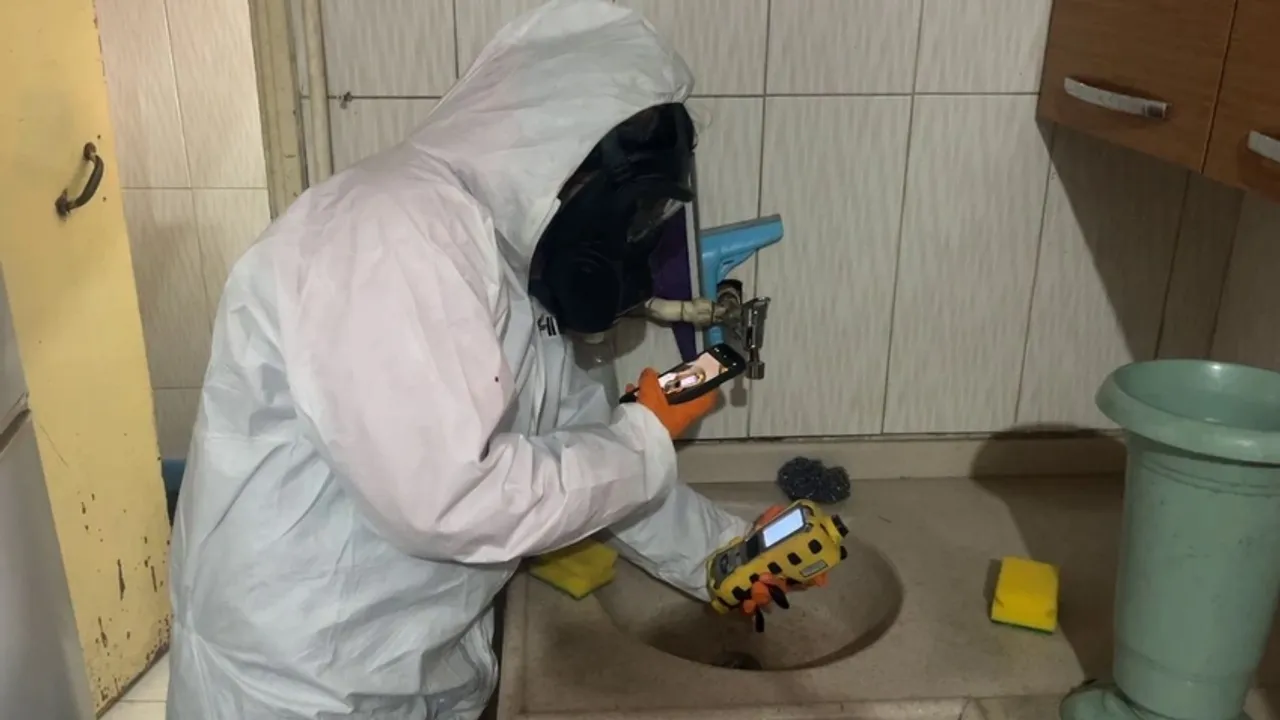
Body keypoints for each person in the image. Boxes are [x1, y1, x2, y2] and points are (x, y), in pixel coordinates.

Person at [165, 2, 803, 718]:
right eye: (633, 213)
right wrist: (645, 437)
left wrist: (722, 553)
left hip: (412, 669)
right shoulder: (388, 235)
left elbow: (580, 452)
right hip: (296, 690)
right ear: (558, 152)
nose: (630, 240)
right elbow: (451, 500)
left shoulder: (511, 262)